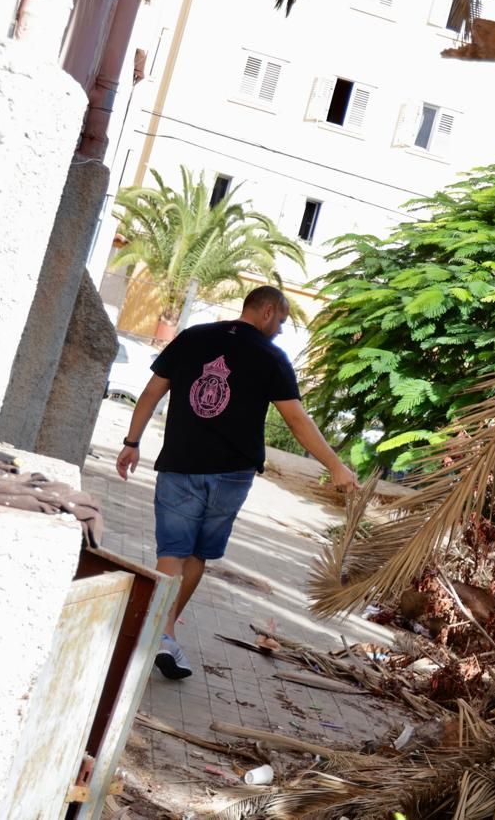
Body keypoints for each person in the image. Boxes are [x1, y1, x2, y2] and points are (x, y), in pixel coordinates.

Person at [116, 284, 358, 680]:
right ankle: (163, 631)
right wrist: (335, 465)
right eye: (280, 320)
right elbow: (297, 420)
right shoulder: (271, 357)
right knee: (197, 555)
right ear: (265, 313)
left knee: (172, 553)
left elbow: (152, 391)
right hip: (231, 475)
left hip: (180, 462)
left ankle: (163, 632)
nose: (280, 329)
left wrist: (132, 442)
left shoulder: (192, 338)